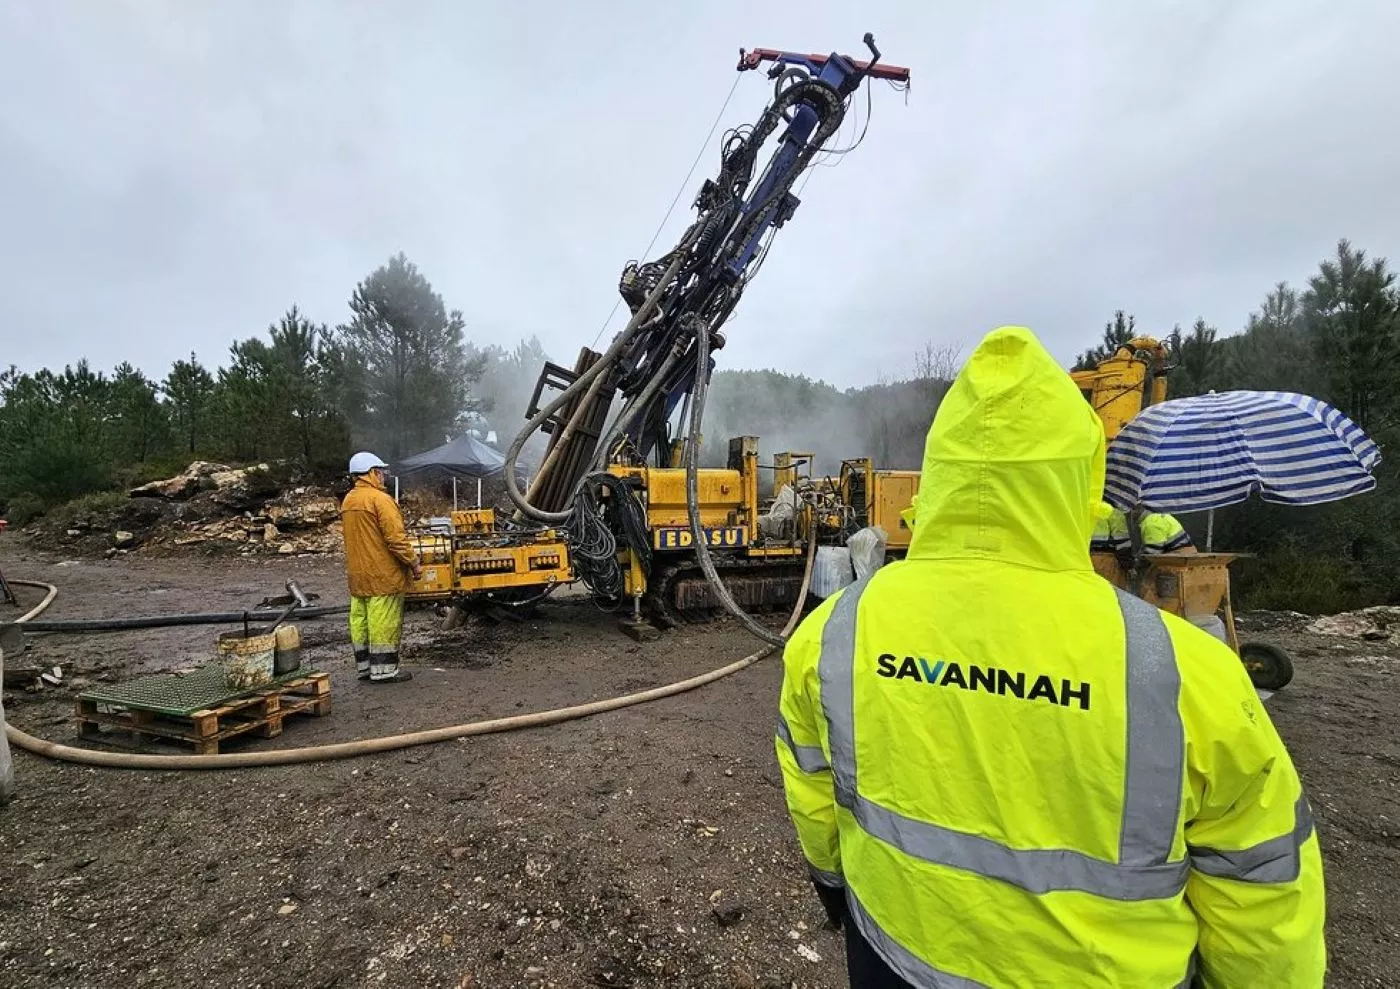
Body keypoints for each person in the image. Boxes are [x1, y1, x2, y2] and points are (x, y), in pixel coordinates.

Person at [774, 326, 1325, 987]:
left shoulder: (835, 631)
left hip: (891, 959)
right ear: (1078, 471)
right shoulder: (1187, 675)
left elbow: (811, 785)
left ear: (941, 470)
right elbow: (1262, 888)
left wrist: (835, 888)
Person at [341, 452, 421, 684]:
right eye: (381, 472)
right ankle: (384, 670)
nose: (384, 476)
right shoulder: (380, 500)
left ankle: (365, 667)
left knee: (360, 620)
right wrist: (413, 562)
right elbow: (396, 539)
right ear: (372, 473)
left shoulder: (349, 500)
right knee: (382, 621)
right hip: (383, 575)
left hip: (358, 575)